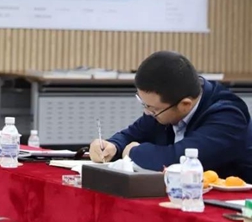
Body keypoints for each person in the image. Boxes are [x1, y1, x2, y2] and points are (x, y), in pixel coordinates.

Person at [89, 51, 252, 180]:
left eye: (152, 109)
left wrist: (133, 152)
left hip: (233, 204)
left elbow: (177, 159)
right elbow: (131, 134)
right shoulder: (165, 107)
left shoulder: (228, 116)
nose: (147, 113)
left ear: (185, 105)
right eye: (144, 104)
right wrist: (113, 146)